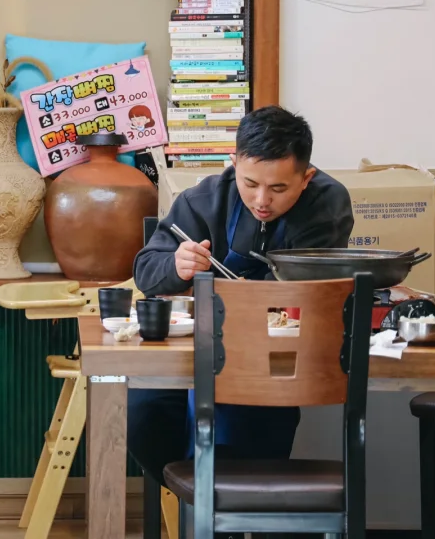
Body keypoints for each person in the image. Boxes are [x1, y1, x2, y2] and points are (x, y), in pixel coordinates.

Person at [128, 106, 354, 502]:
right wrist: (176, 266)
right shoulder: (202, 200)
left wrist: (244, 298)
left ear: (306, 177)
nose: (262, 200)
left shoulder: (326, 203)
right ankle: (199, 501)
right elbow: (146, 270)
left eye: (278, 188)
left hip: (274, 358)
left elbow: (304, 287)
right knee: (143, 411)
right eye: (250, 183)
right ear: (234, 164)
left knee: (245, 432)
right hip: (189, 354)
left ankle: (225, 510)